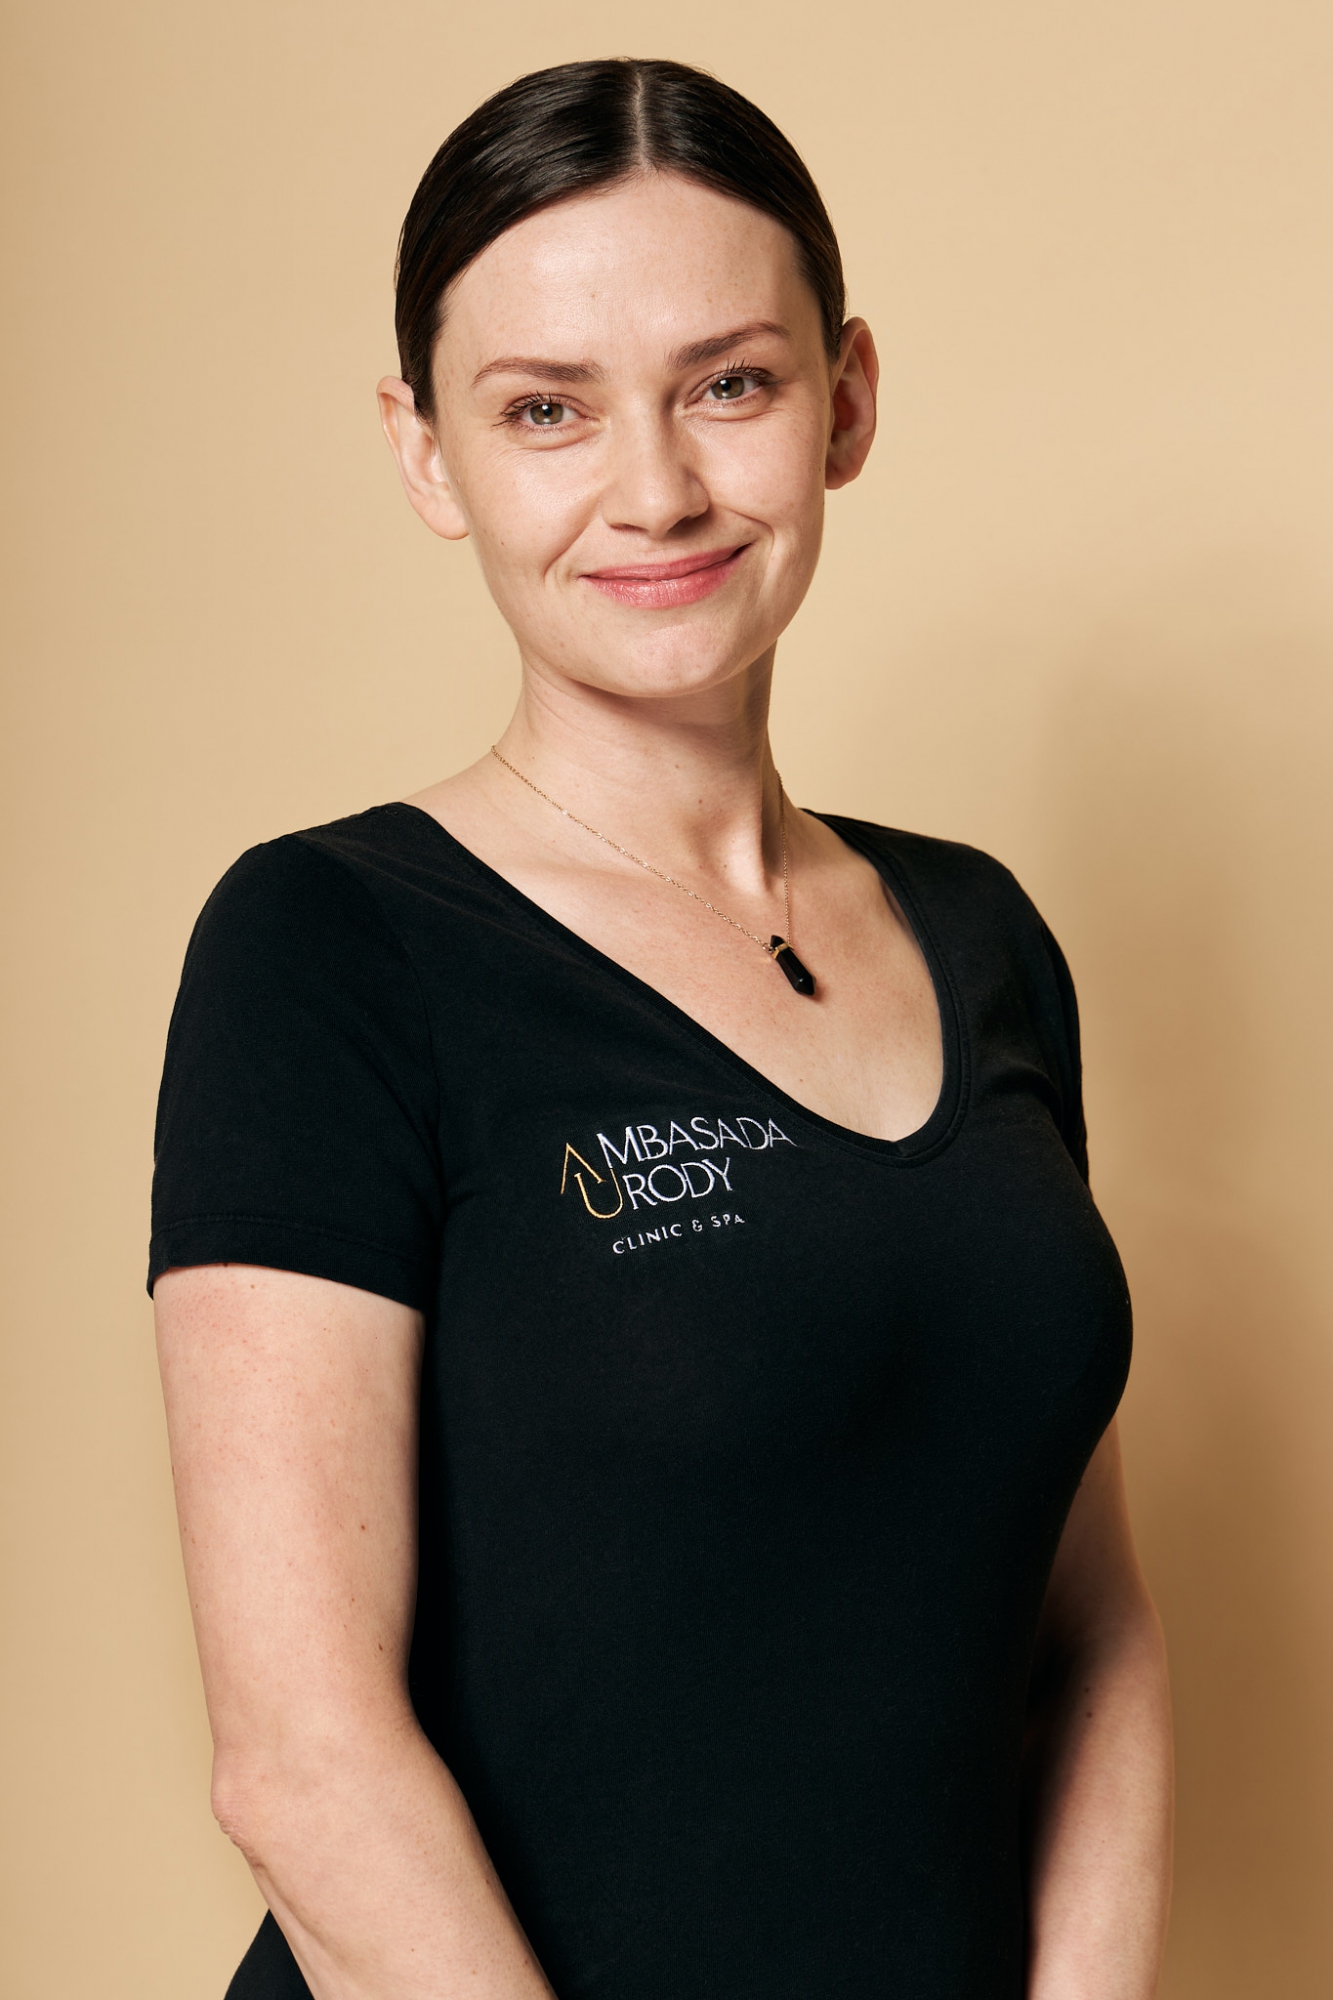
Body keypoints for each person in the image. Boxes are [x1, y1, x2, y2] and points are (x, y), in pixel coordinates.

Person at [151, 57, 1173, 2000]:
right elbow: (300, 1763)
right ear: (428, 453)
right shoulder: (330, 947)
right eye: (544, 409)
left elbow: (1087, 1624)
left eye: (729, 384)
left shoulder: (981, 936)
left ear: (844, 398)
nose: (656, 491)